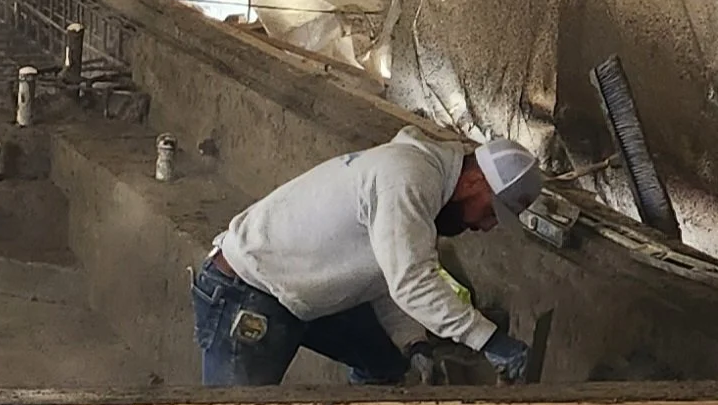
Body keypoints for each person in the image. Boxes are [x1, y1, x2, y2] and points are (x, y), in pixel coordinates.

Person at [192, 132, 544, 387]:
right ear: (472, 181)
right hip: (248, 290)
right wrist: (491, 341)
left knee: (385, 362)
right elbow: (410, 281)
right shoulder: (409, 178)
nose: (485, 225)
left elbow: (383, 273)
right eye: (490, 211)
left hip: (298, 290)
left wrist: (412, 341)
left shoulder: (422, 184)